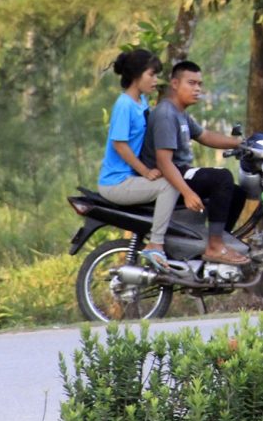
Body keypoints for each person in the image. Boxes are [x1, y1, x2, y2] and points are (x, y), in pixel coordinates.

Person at [140, 60, 249, 266]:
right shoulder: (165, 114)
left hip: (181, 172)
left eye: (199, 84)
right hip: (170, 176)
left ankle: (217, 242)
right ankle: (214, 247)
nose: (197, 89)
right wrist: (188, 193)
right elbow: (164, 162)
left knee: (238, 193)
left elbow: (205, 135)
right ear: (174, 84)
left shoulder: (180, 113)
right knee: (221, 177)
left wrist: (242, 143)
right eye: (191, 83)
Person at [97, 49, 179, 269]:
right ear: (136, 76)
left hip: (130, 178)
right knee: (168, 187)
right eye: (151, 75)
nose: (155, 80)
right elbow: (119, 145)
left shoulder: (141, 101)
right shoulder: (124, 105)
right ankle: (156, 244)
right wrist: (145, 171)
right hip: (117, 182)